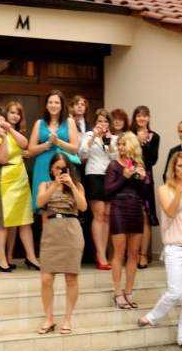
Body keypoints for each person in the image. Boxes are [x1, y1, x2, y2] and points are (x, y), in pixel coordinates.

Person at [136, 151, 182, 349]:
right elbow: (170, 211)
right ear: (173, 168)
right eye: (180, 166)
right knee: (175, 291)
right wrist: (181, 189)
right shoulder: (164, 189)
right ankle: (153, 316)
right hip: (175, 247)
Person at [35, 153, 87, 335]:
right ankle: (48, 318)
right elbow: (39, 202)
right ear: (51, 169)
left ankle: (67, 319)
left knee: (71, 277)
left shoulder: (77, 185)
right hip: (51, 230)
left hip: (71, 229)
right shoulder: (45, 185)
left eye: (63, 168)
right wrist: (55, 185)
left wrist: (71, 184)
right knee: (46, 278)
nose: (60, 171)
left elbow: (83, 207)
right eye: (57, 168)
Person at [0, 104, 37, 273]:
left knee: (25, 220)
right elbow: (1, 158)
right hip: (3, 181)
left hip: (20, 178)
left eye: (1, 121)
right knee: (2, 221)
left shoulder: (13, 133)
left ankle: (31, 257)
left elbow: (25, 144)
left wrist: (9, 130)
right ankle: (1, 258)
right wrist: (3, 137)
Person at [104, 132, 148, 310]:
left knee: (134, 253)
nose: (120, 147)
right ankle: (117, 293)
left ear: (131, 146)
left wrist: (142, 179)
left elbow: (144, 194)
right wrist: (124, 176)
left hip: (136, 208)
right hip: (119, 208)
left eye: (123, 144)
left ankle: (129, 292)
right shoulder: (113, 165)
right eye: (119, 144)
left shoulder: (139, 165)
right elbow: (107, 190)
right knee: (119, 253)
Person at [28, 90, 78, 223]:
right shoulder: (39, 123)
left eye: (56, 102)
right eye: (50, 102)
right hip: (43, 166)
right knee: (44, 206)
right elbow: (31, 150)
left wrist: (58, 142)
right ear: (46, 105)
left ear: (62, 105)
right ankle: (47, 235)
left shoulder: (69, 122)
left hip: (61, 165)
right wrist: (47, 144)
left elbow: (75, 148)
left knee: (62, 202)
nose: (53, 105)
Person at [78, 109, 115, 270]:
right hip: (94, 175)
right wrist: (94, 136)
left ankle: (103, 252)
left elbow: (115, 158)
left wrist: (108, 142)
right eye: (100, 121)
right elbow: (82, 154)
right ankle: (100, 254)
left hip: (110, 176)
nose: (103, 124)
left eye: (105, 121)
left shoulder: (113, 138)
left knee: (107, 215)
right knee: (98, 214)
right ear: (95, 123)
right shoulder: (88, 135)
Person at [132, 105, 160, 268]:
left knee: (145, 217)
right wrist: (136, 140)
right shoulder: (129, 135)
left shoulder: (155, 137)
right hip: (130, 179)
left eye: (144, 116)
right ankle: (133, 254)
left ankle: (143, 255)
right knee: (132, 216)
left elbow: (152, 160)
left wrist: (143, 143)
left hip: (146, 180)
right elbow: (126, 156)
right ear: (135, 118)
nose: (141, 118)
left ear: (148, 118)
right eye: (138, 115)